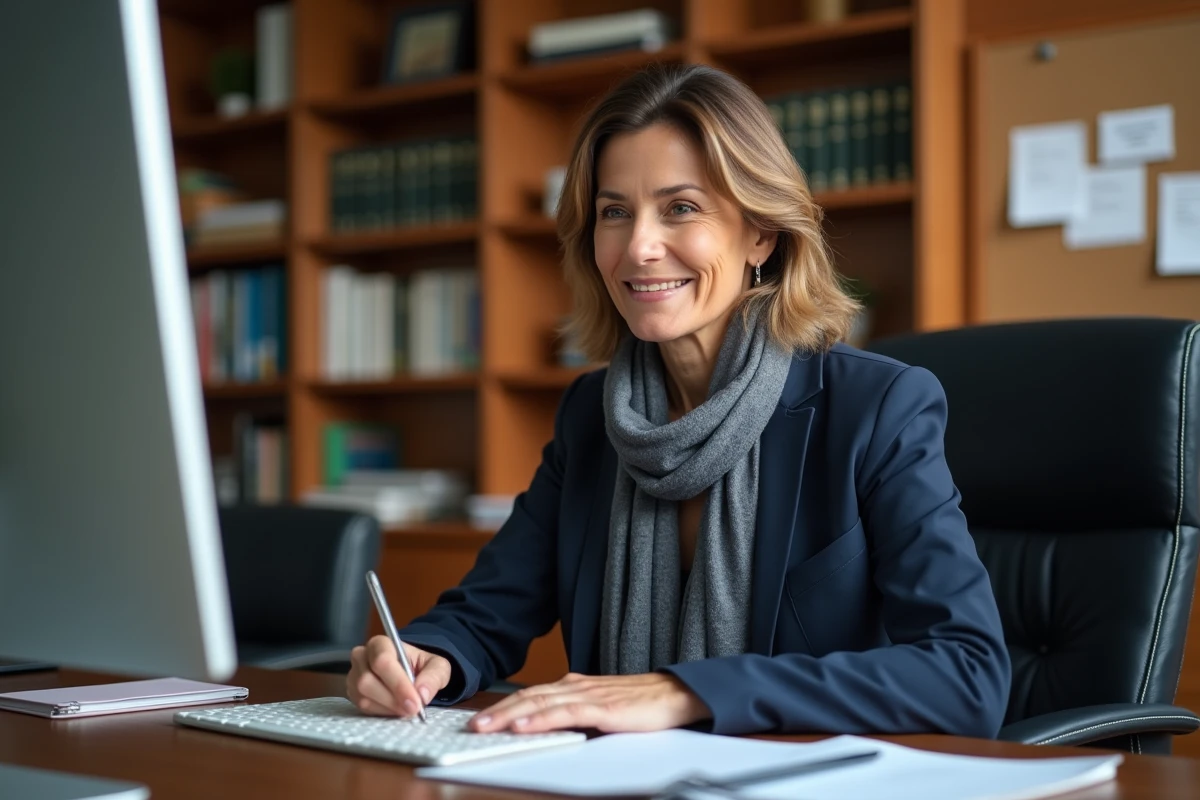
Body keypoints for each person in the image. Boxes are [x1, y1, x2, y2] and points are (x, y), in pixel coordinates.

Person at [347, 64, 1011, 737]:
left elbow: (968, 674)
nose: (639, 247)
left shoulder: (876, 408)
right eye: (614, 212)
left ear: (761, 233)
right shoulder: (592, 415)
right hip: (624, 776)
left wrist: (686, 692)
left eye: (681, 208)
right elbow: (488, 610)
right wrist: (425, 657)